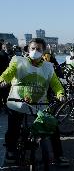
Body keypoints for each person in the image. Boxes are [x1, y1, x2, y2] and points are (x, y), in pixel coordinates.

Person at [0, 38, 69, 166]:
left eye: (39, 49)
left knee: (52, 126)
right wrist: (3, 80)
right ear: (28, 49)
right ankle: (10, 151)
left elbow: (55, 83)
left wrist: (60, 93)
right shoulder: (18, 61)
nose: (35, 51)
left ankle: (59, 155)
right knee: (13, 129)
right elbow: (8, 73)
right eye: (33, 48)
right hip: (18, 103)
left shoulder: (48, 66)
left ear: (43, 52)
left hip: (40, 105)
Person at [0, 42, 11, 112]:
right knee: (5, 93)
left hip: (4, 76)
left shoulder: (6, 54)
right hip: (4, 77)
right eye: (7, 47)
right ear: (3, 47)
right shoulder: (3, 55)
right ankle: (5, 107)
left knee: (4, 93)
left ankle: (3, 106)